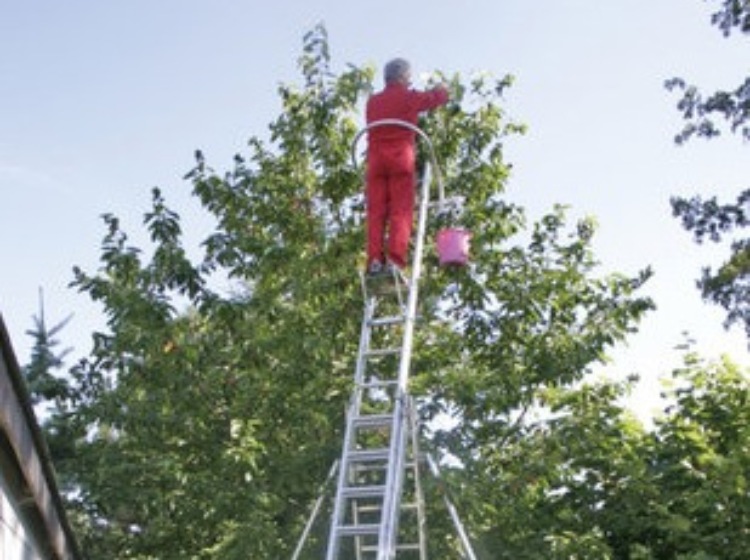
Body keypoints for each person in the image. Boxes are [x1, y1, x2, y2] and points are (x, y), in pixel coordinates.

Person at [365, 58, 449, 275]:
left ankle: (374, 259)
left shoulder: (373, 102)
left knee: (376, 212)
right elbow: (437, 98)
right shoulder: (409, 97)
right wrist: (441, 88)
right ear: (403, 77)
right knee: (400, 210)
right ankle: (394, 259)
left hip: (375, 162)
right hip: (400, 158)